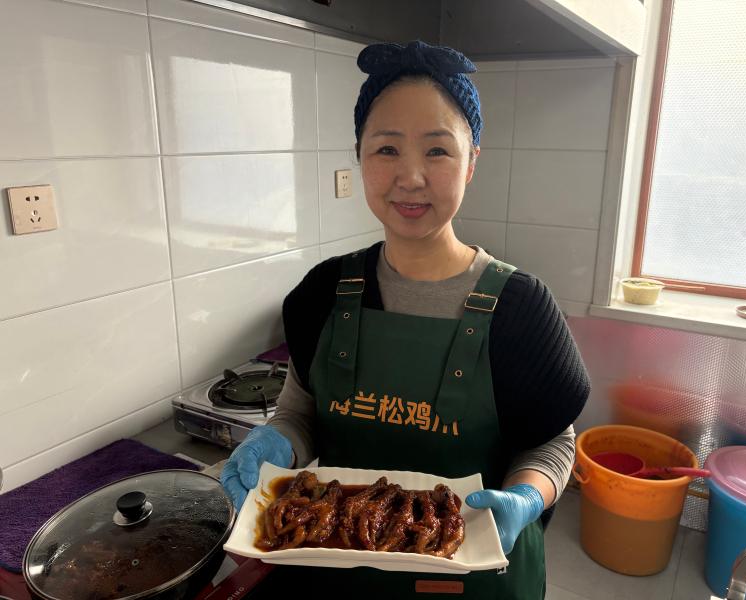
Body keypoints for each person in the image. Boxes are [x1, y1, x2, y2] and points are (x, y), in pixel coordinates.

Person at [221, 40, 590, 599]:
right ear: (359, 156)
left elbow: (553, 444)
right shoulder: (323, 293)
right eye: (387, 149)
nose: (411, 176)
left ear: (472, 162)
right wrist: (275, 442)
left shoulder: (521, 308)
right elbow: (300, 415)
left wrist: (527, 496)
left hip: (476, 573)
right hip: (337, 570)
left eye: (437, 151)